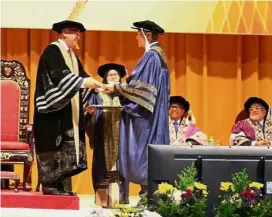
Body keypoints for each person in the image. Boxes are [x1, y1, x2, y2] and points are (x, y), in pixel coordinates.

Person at [34, 20, 100, 196]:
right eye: (75, 33)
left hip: (68, 111)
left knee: (67, 145)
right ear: (64, 32)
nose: (78, 37)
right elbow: (60, 76)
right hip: (52, 110)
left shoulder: (70, 54)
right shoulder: (53, 51)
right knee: (53, 145)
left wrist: (96, 86)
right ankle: (49, 185)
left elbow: (82, 76)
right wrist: (85, 82)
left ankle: (60, 183)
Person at [104, 20, 170, 198]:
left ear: (147, 35)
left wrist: (116, 88)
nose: (136, 38)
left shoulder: (151, 56)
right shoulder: (159, 56)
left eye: (138, 35)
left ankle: (147, 192)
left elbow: (141, 89)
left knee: (142, 150)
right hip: (155, 111)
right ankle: (150, 192)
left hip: (145, 115)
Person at [85, 63, 129, 203]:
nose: (112, 76)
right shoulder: (97, 93)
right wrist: (89, 113)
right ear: (105, 78)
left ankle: (121, 197)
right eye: (110, 75)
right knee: (101, 162)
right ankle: (102, 198)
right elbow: (88, 111)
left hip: (121, 133)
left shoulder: (125, 93)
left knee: (121, 161)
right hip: (101, 132)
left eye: (115, 74)